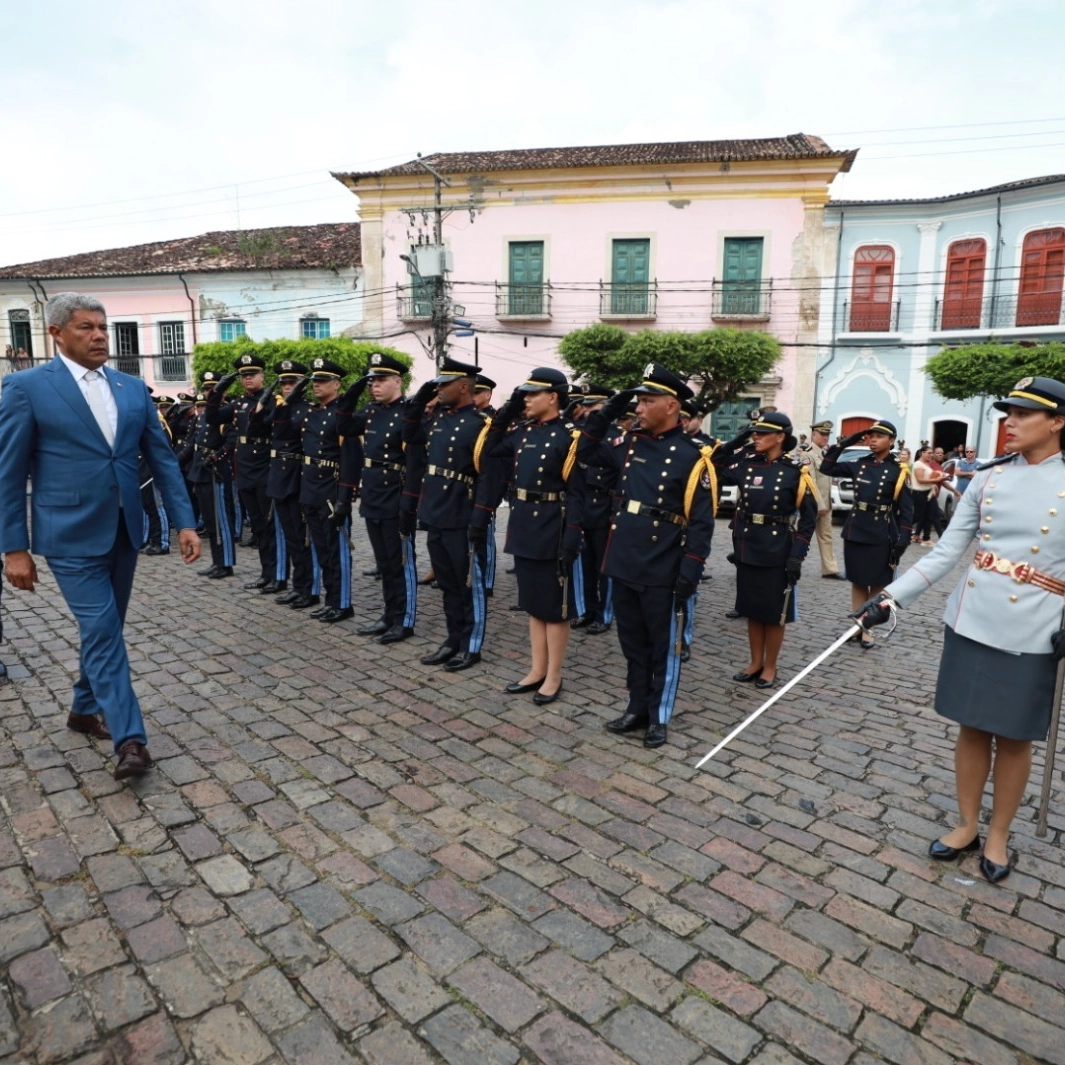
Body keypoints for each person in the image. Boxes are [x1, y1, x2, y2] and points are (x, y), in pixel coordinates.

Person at [856, 376, 1065, 883]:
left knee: (1013, 738)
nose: (1009, 423)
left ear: (1057, 422)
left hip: (1035, 626)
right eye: (1007, 413)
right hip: (972, 618)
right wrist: (890, 598)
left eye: (1023, 414)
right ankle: (969, 823)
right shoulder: (989, 478)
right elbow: (949, 552)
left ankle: (998, 835)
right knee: (971, 726)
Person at [0, 293, 201, 780]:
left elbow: (162, 459)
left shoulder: (131, 388)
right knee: (104, 630)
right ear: (56, 334)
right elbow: (8, 472)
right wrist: (13, 547)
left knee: (103, 630)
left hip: (124, 529)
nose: (98, 337)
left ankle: (81, 709)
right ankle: (131, 739)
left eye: (103, 328)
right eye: (86, 328)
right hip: (66, 533)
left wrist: (185, 521)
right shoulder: (25, 387)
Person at [579, 363, 715, 747]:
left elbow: (702, 523)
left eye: (647, 401)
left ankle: (659, 716)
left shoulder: (694, 456)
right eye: (637, 401)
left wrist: (690, 572)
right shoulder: (629, 444)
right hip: (624, 556)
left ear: (672, 406)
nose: (638, 409)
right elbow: (586, 449)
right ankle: (636, 706)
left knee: (663, 646)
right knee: (632, 642)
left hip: (663, 561)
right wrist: (608, 409)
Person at [483, 368, 584, 704]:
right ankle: (537, 669)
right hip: (524, 523)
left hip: (552, 526)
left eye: (531, 394)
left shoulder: (570, 437)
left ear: (553, 397)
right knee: (533, 604)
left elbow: (578, 493)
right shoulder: (524, 432)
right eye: (523, 394)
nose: (526, 398)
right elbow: (492, 447)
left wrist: (572, 537)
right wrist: (510, 408)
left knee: (554, 607)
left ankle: (554, 675)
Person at [402, 357, 498, 672]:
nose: (439, 389)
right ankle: (452, 639)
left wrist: (480, 518)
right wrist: (421, 396)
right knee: (447, 584)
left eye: (444, 384)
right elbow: (410, 432)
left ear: (464, 386)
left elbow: (489, 478)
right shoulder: (437, 419)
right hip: (436, 513)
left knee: (469, 584)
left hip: (462, 514)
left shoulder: (482, 425)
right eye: (438, 384)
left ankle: (471, 646)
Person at [715, 412, 818, 687]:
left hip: (777, 548)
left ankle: (770, 665)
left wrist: (797, 555)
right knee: (752, 608)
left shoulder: (796, 471)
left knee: (774, 613)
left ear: (781, 437)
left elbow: (809, 519)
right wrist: (741, 440)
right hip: (749, 546)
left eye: (762, 433)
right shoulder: (748, 465)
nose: (756, 436)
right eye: (754, 432)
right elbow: (715, 465)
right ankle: (754, 662)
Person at [341, 353, 419, 644]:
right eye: (371, 380)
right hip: (373, 493)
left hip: (395, 493)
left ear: (397, 381)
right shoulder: (370, 411)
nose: (374, 385)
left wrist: (409, 504)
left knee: (401, 561)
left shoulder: (409, 412)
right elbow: (344, 426)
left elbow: (415, 463)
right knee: (384, 563)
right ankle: (389, 614)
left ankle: (405, 620)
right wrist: (354, 389)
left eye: (380, 380)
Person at [820, 420, 913, 650]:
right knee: (858, 580)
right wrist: (849, 440)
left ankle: (868, 628)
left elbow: (907, 508)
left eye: (878, 436)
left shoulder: (897, 470)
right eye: (870, 436)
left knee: (878, 583)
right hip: (856, 528)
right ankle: (858, 626)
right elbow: (827, 467)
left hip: (881, 530)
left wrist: (904, 536)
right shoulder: (860, 464)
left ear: (891, 441)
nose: (872, 440)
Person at [288, 358, 359, 623]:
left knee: (336, 549)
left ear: (337, 384)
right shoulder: (312, 412)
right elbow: (280, 418)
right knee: (320, 548)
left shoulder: (344, 415)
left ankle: (342, 603)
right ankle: (331, 600)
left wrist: (345, 497)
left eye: (322, 381)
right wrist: (294, 392)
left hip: (331, 487)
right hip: (310, 486)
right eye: (314, 381)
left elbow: (351, 459)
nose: (316, 385)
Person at [209, 354, 286, 595]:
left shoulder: (274, 400)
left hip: (265, 468)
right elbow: (212, 417)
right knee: (258, 527)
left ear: (263, 376)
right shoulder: (239, 403)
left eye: (252, 374)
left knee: (270, 525)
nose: (248, 379)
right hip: (245, 470)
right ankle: (266, 573)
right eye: (244, 376)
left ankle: (279, 576)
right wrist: (219, 389)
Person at [267, 361, 320, 610]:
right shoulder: (281, 409)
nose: (287, 387)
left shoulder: (309, 410)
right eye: (284, 383)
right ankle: (298, 586)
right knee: (291, 537)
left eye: (292, 383)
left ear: (302, 385)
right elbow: (262, 425)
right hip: (279, 476)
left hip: (298, 477)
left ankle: (309, 588)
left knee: (302, 537)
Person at [572, 382, 618, 635]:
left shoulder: (615, 437)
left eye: (594, 406)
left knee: (604, 567)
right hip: (583, 505)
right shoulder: (581, 435)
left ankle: (605, 614)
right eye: (586, 405)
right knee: (585, 565)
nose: (588, 410)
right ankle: (588, 610)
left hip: (605, 507)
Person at [797, 420, 844, 580]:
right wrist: (819, 504)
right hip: (813, 504)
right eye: (822, 434)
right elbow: (811, 481)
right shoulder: (808, 455)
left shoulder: (824, 454)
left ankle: (829, 569)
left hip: (825, 503)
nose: (825, 437)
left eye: (827, 434)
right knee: (801, 534)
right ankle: (789, 561)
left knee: (827, 536)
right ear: (814, 435)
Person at [911, 446, 948, 545]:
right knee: (917, 516)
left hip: (929, 493)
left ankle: (941, 539)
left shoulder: (926, 464)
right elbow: (920, 480)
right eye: (928, 453)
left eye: (931, 453)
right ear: (922, 453)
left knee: (934, 514)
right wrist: (936, 481)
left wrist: (933, 485)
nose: (930, 455)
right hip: (919, 493)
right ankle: (898, 530)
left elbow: (929, 477)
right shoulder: (918, 464)